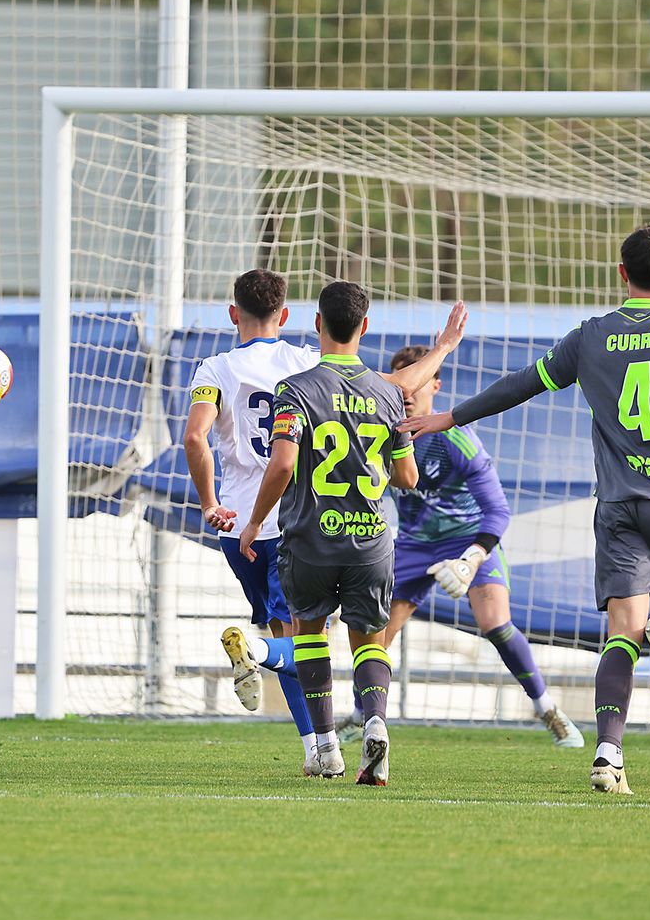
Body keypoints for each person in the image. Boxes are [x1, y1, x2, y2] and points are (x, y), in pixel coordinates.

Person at [403, 224, 650, 795]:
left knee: (619, 633)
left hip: (616, 507)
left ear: (621, 273)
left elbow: (521, 385)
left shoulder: (590, 337)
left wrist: (449, 416)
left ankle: (608, 757)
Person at [187, 268, 464, 768]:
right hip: (349, 528)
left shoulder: (220, 370)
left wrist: (217, 507)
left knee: (299, 638)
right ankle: (353, 726)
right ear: (290, 316)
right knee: (355, 640)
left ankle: (319, 743)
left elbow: (195, 439)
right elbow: (402, 427)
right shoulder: (322, 368)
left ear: (234, 314)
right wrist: (443, 346)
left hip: (258, 525)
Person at [236, 281, 417, 784]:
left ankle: (325, 747)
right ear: (364, 328)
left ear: (317, 325)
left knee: (310, 634)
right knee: (369, 642)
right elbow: (407, 478)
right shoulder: (389, 393)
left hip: (311, 537)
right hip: (371, 538)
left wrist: (254, 522)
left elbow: (282, 465)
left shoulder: (295, 390)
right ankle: (375, 720)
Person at [380, 344, 582, 748]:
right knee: (377, 636)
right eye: (402, 379)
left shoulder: (455, 436)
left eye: (417, 379)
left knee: (494, 623)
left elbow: (498, 511)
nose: (407, 390)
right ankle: (364, 717)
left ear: (434, 383)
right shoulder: (380, 433)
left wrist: (472, 559)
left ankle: (546, 708)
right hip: (415, 544)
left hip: (467, 537)